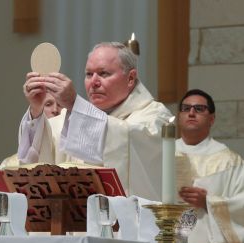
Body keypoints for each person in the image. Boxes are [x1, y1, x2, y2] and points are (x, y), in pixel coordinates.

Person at [17, 42, 172, 200]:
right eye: (89, 74)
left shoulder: (156, 118)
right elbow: (36, 164)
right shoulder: (71, 119)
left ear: (130, 78)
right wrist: (36, 110)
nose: (94, 82)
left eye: (103, 74)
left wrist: (73, 103)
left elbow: (129, 137)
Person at [177, 89, 244, 243]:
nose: (191, 113)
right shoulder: (161, 155)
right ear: (179, 116)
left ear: (212, 119)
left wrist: (209, 203)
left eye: (199, 109)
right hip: (166, 242)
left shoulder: (230, 161)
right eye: (186, 108)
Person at [0, 94, 62, 169]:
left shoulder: (74, 157)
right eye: (48, 104)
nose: (55, 110)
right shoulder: (9, 165)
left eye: (60, 105)